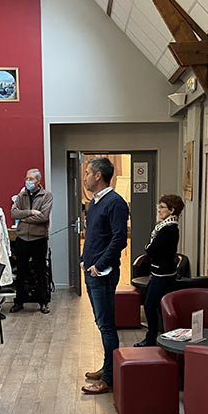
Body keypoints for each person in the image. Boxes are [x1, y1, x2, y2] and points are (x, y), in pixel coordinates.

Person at [80, 157, 129, 395]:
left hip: (103, 273)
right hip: (91, 270)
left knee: (107, 325)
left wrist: (99, 264)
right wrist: (84, 258)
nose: (85, 178)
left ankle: (109, 378)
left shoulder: (115, 203)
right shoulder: (94, 203)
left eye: (87, 173)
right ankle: (107, 366)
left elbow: (119, 239)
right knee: (102, 324)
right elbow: (93, 236)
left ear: (98, 175)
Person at [134, 195, 185, 347]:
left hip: (163, 275)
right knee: (154, 305)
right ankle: (159, 336)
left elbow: (151, 250)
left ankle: (152, 338)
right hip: (159, 273)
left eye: (162, 207)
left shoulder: (168, 229)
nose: (159, 210)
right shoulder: (165, 227)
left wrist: (148, 247)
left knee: (150, 305)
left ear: (172, 210)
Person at [10, 168, 53, 314]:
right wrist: (30, 212)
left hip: (38, 239)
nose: (28, 181)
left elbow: (43, 217)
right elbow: (13, 213)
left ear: (38, 181)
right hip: (22, 238)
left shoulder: (46, 196)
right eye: (27, 178)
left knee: (41, 271)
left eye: (31, 179)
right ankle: (19, 302)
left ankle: (43, 302)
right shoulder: (21, 195)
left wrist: (24, 218)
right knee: (21, 272)